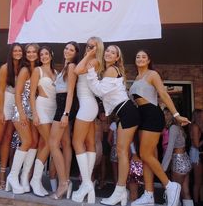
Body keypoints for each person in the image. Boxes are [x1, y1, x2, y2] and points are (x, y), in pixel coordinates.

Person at [129, 49, 190, 206]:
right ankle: (149, 195)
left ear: (149, 60)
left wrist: (176, 115)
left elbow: (163, 93)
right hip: (141, 116)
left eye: (144, 57)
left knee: (145, 153)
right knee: (146, 156)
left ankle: (170, 186)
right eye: (138, 56)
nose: (140, 58)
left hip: (152, 115)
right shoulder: (136, 78)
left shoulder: (152, 74)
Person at [86, 44, 140, 206]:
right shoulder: (109, 71)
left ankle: (120, 191)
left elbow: (99, 91)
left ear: (117, 58)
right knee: (122, 151)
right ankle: (121, 192)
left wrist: (90, 72)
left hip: (127, 112)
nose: (109, 53)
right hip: (124, 113)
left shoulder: (111, 70)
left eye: (113, 52)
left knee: (123, 152)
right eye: (107, 51)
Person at [71, 36, 104, 203]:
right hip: (89, 105)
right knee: (90, 144)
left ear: (98, 49)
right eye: (88, 45)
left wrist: (89, 54)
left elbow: (77, 71)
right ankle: (89, 185)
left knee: (77, 142)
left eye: (93, 46)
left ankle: (85, 183)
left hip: (87, 105)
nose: (89, 48)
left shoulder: (94, 62)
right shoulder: (92, 61)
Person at [5, 43, 40, 194]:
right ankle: (12, 176)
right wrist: (22, 113)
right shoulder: (25, 70)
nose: (31, 54)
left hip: (32, 112)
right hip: (21, 111)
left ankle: (24, 178)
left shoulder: (37, 70)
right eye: (29, 52)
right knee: (26, 142)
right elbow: (18, 94)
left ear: (38, 54)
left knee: (34, 143)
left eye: (34, 52)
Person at [0, 43, 24, 189]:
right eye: (15, 50)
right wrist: (2, 111)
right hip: (3, 105)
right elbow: (1, 91)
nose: (17, 52)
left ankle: (3, 173)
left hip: (15, 106)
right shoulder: (5, 68)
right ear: (11, 53)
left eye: (19, 50)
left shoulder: (23, 69)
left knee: (7, 140)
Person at [49, 41, 79, 199]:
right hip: (62, 106)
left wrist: (65, 114)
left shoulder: (72, 67)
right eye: (66, 48)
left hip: (64, 107)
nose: (68, 51)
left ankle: (63, 183)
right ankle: (66, 180)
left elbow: (70, 93)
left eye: (71, 49)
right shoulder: (66, 67)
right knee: (66, 144)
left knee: (53, 144)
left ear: (76, 53)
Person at [29, 46, 57, 196]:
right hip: (41, 107)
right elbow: (32, 93)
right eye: (42, 55)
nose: (44, 56)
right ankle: (35, 179)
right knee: (49, 142)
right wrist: (34, 114)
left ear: (51, 55)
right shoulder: (37, 71)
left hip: (54, 109)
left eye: (47, 54)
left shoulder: (56, 73)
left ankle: (35, 179)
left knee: (44, 144)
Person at [162, 108, 192, 205]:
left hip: (178, 162)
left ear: (169, 116)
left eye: (165, 115)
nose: (164, 117)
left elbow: (169, 149)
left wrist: (162, 168)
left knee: (175, 194)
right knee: (186, 192)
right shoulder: (179, 127)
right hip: (186, 160)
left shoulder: (173, 128)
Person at [189, 109, 203, 206]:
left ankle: (200, 201)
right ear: (197, 116)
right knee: (197, 181)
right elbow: (196, 145)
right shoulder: (195, 126)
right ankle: (196, 202)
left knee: (200, 181)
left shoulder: (198, 126)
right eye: (201, 115)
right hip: (196, 153)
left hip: (199, 153)